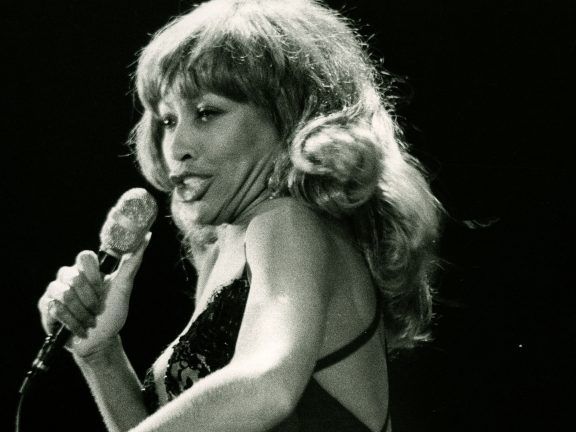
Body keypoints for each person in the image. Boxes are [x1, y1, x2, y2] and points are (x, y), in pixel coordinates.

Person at [37, 0, 441, 430]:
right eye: (168, 120)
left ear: (288, 114)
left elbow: (267, 386)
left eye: (206, 113)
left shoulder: (287, 222)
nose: (176, 147)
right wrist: (100, 355)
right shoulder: (225, 252)